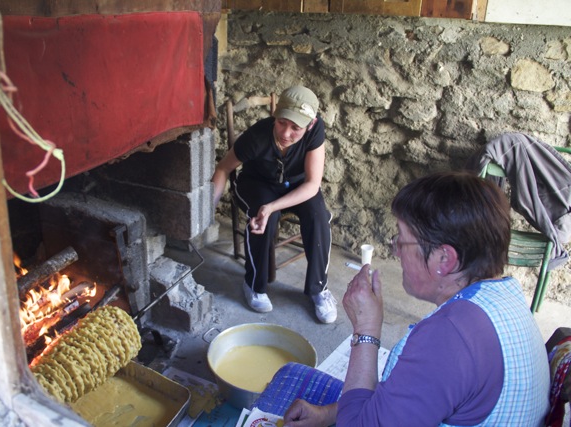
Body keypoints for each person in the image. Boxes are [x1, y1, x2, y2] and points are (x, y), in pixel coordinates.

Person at [283, 171, 550, 426]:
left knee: (288, 376)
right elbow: (417, 397)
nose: (396, 251)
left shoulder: (449, 337)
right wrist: (328, 414)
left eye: (402, 240)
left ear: (444, 259)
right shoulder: (504, 296)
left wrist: (366, 330)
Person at [211, 85, 336, 323]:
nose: (286, 133)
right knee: (263, 218)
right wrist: (208, 210)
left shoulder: (315, 130)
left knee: (318, 215)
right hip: (258, 184)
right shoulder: (257, 137)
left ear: (310, 124)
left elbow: (312, 185)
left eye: (295, 128)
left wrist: (273, 207)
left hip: (297, 186)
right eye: (281, 123)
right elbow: (223, 168)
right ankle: (254, 285)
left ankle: (318, 289)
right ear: (275, 116)